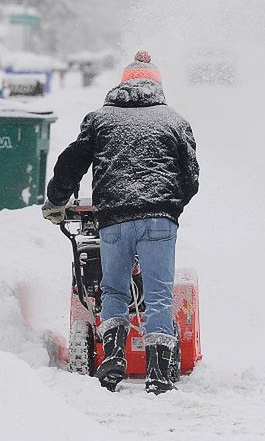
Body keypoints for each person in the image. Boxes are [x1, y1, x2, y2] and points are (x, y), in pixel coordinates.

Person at [42, 51, 199, 394]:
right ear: (157, 86)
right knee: (158, 295)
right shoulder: (174, 121)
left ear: (121, 85)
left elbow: (70, 164)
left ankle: (112, 362)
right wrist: (169, 208)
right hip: (159, 220)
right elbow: (191, 179)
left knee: (113, 290)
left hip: (113, 220)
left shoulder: (100, 119)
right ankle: (158, 375)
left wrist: (55, 201)